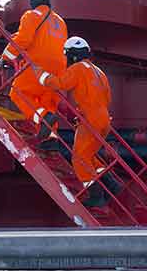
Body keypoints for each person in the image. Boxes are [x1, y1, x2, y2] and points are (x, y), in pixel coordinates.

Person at [39, 36, 117, 209]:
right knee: (89, 156)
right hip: (104, 120)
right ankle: (112, 185)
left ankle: (96, 196)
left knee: (79, 159)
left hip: (91, 120)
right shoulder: (98, 71)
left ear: (73, 55)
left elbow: (62, 83)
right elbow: (107, 97)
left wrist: (43, 77)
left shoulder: (78, 68)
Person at [0, 0, 67, 125]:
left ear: (31, 1)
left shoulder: (31, 15)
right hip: (59, 69)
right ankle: (50, 140)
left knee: (18, 93)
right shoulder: (60, 22)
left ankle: (42, 119)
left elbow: (23, 39)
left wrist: (6, 57)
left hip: (38, 66)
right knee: (48, 103)